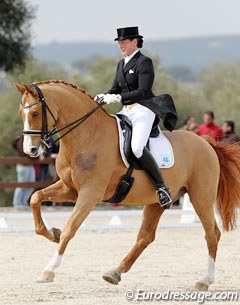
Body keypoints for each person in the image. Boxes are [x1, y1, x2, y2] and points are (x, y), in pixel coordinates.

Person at [94, 26, 172, 207]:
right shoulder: (121, 64)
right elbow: (114, 89)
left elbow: (142, 91)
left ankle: (162, 188)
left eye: (123, 42)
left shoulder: (144, 62)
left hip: (144, 109)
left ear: (134, 41)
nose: (120, 45)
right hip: (127, 110)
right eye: (119, 42)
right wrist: (102, 97)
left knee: (137, 147)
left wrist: (119, 97)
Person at [12, 135, 35, 208]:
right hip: (22, 166)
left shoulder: (30, 140)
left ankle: (24, 201)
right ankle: (17, 203)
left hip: (30, 165)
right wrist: (36, 156)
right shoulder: (21, 140)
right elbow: (24, 152)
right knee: (21, 185)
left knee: (32, 185)